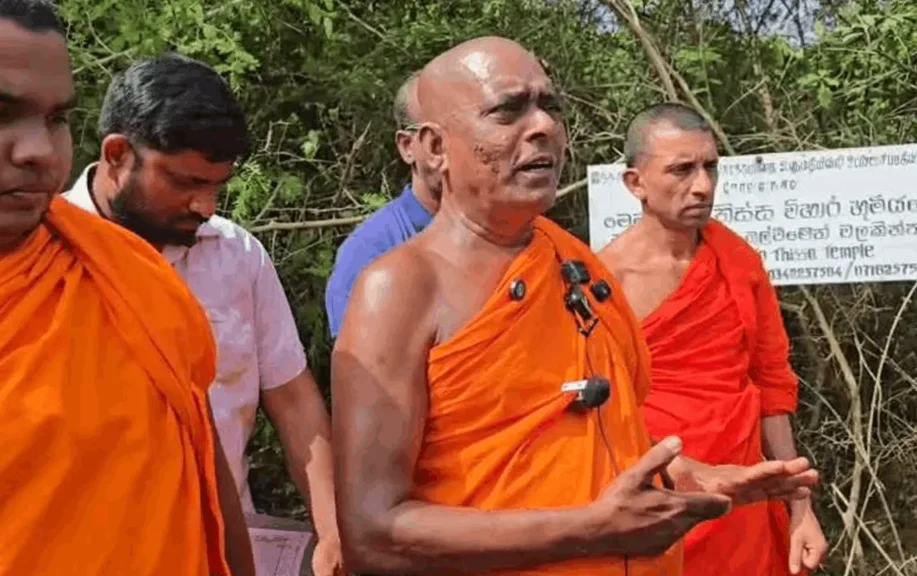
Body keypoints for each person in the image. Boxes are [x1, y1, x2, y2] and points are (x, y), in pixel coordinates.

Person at [331, 35, 820, 576]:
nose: (543, 125)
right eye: (509, 111)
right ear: (433, 148)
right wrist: (588, 531)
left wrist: (692, 474)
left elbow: (605, 435)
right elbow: (371, 533)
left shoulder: (578, 265)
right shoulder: (399, 288)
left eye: (551, 106)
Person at [61, 54, 342, 574]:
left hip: (219, 547)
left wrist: (333, 531)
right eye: (186, 183)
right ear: (118, 155)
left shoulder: (237, 255)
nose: (205, 207)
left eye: (217, 186)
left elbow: (292, 397)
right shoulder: (39, 257)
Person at [0, 1, 254, 574]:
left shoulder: (129, 275)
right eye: (1, 112)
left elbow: (206, 486)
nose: (38, 150)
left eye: (56, 119)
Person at [598, 102, 829, 575]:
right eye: (682, 170)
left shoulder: (738, 260)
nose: (703, 185)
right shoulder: (604, 281)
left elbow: (772, 382)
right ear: (635, 183)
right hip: (659, 492)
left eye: (710, 167)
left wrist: (800, 507)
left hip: (745, 491)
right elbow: (599, 413)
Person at [324, 70, 442, 337]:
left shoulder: (509, 232)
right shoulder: (369, 252)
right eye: (436, 139)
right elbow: (361, 359)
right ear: (407, 146)